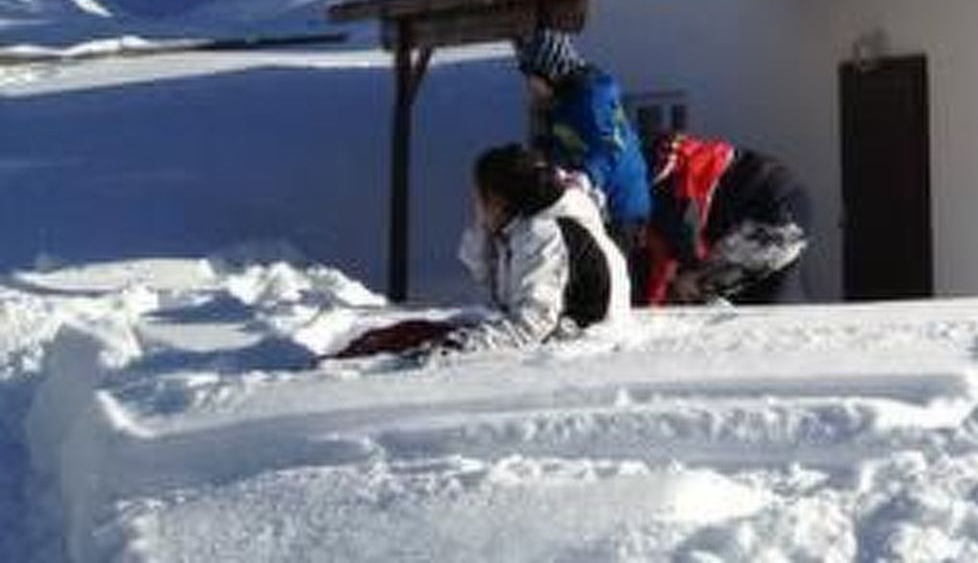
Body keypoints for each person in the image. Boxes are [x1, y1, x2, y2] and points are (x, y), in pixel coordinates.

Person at [330, 144, 630, 359]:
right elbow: (495, 285)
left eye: (478, 197)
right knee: (408, 334)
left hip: (577, 345)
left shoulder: (543, 233)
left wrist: (458, 347)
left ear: (498, 200)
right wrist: (484, 233)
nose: (474, 204)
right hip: (556, 337)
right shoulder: (519, 228)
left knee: (420, 344)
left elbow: (532, 323)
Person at [516, 25, 651, 259]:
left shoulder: (591, 100)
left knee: (608, 271)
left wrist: (586, 176)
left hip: (620, 206)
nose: (530, 86)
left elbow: (610, 148)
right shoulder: (562, 105)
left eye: (533, 77)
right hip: (599, 202)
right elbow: (568, 146)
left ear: (550, 71)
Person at [641, 126, 811, 306]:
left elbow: (677, 241)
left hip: (769, 210)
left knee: (692, 289)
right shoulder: (700, 154)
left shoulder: (673, 176)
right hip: (790, 199)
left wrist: (658, 299)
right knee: (770, 294)